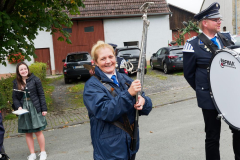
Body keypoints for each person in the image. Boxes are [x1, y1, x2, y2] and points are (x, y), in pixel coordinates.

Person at [183, 2, 240, 160]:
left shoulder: (226, 39)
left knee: (238, 129)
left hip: (230, 96)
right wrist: (206, 90)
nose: (219, 21)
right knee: (212, 136)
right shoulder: (192, 45)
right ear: (205, 22)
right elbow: (188, 74)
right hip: (208, 97)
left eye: (219, 19)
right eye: (215, 19)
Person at [83, 41, 152, 160]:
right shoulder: (92, 86)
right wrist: (129, 94)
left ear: (115, 57)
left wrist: (143, 102)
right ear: (96, 62)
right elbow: (104, 111)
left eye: (110, 57)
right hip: (109, 149)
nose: (108, 61)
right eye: (103, 59)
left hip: (129, 143)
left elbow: (145, 103)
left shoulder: (124, 78)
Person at [12, 62, 48, 160]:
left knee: (38, 131)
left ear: (27, 69)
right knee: (28, 132)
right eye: (21, 70)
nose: (23, 71)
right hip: (23, 109)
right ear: (18, 72)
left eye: (25, 68)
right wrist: (18, 106)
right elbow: (15, 98)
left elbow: (41, 94)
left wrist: (44, 109)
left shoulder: (35, 79)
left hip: (34, 107)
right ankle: (32, 153)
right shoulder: (16, 82)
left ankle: (43, 152)